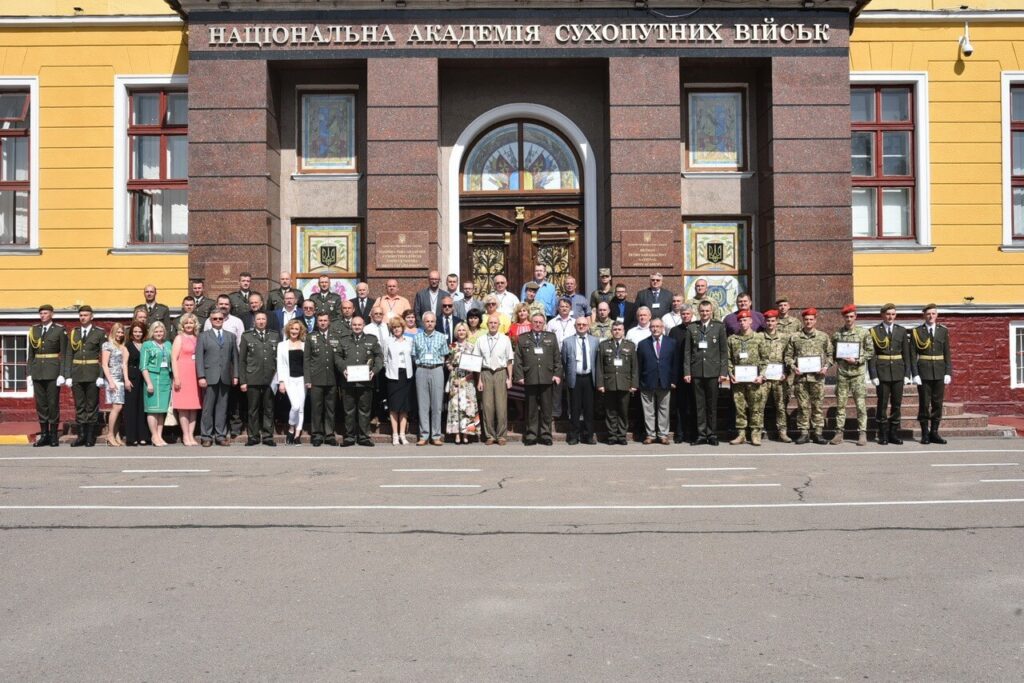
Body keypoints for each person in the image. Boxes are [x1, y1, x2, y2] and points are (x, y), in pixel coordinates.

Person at [784, 307, 833, 445]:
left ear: (815, 320)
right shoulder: (795, 337)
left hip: (817, 378)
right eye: (806, 319)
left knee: (817, 406)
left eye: (811, 319)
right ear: (803, 321)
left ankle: (818, 433)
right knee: (802, 406)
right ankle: (804, 433)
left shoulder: (823, 337)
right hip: (801, 379)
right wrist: (794, 367)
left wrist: (825, 367)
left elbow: (830, 355)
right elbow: (788, 357)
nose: (808, 322)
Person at [683, 300, 728, 446]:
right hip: (696, 372)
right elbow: (687, 352)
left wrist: (723, 372)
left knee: (712, 405)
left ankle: (712, 434)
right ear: (698, 311)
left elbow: (723, 352)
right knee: (699, 405)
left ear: (712, 311)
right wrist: (687, 371)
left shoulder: (719, 327)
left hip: (713, 372)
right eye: (702, 311)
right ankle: (701, 434)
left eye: (707, 311)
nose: (704, 313)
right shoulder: (692, 328)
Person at [513, 313, 563, 446]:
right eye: (535, 321)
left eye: (540, 322)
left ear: (544, 323)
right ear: (531, 322)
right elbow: (518, 359)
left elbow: (557, 358)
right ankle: (531, 434)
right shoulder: (523, 338)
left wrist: (557, 374)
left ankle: (546, 435)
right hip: (530, 377)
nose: (538, 324)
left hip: (547, 377)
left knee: (547, 409)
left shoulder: (551, 337)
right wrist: (519, 376)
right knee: (531, 409)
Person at [867, 303, 912, 445]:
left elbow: (906, 354)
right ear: (882, 315)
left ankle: (893, 433)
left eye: (893, 314)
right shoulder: (874, 331)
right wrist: (873, 374)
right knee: (882, 404)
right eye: (888, 314)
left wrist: (907, 374)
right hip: (882, 372)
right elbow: (872, 355)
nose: (890, 317)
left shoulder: (902, 331)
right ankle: (883, 434)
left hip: (898, 372)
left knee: (897, 404)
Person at [337, 316, 383, 447]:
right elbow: (337, 356)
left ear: (364, 325)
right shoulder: (344, 340)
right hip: (348, 381)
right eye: (354, 325)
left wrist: (374, 371)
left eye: (359, 325)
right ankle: (349, 437)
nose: (357, 327)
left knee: (364, 409)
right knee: (348, 409)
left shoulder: (371, 339)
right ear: (351, 325)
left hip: (365, 381)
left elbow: (379, 356)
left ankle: (364, 437)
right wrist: (342, 369)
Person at [65, 305, 107, 448]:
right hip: (77, 373)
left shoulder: (99, 333)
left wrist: (101, 375)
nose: (83, 317)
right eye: (81, 315)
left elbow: (104, 355)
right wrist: (68, 374)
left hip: (92, 373)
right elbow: (69, 354)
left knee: (92, 406)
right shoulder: (74, 333)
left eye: (86, 315)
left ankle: (90, 436)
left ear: (92, 317)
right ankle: (81, 436)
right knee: (80, 405)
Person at [831, 305, 873, 447]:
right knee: (840, 405)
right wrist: (837, 358)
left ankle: (862, 433)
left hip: (858, 375)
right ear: (843, 317)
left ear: (855, 317)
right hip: (843, 374)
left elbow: (870, 351)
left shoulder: (863, 332)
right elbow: (832, 352)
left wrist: (858, 360)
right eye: (846, 317)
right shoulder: (837, 334)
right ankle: (839, 433)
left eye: (851, 316)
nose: (849, 319)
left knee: (860, 405)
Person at [911, 303, 953, 445]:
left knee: (937, 404)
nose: (931, 316)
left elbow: (947, 353)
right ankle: (924, 433)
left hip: (939, 372)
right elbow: (912, 355)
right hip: (923, 372)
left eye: (933, 313)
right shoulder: (917, 332)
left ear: (937, 315)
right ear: (924, 315)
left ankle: (934, 432)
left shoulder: (943, 331)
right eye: (928, 314)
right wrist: (914, 374)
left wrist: (948, 372)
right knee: (924, 403)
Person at [196, 310, 239, 447]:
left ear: (224, 320)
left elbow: (235, 359)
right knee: (208, 408)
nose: (218, 320)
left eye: (220, 318)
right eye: (215, 319)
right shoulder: (203, 336)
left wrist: (236, 375)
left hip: (225, 377)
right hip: (209, 377)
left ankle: (220, 435)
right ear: (210, 320)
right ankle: (206, 436)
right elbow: (199, 359)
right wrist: (201, 376)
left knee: (222, 408)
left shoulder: (231, 336)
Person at [726, 310, 768, 446]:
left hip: (755, 380)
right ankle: (741, 434)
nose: (743, 323)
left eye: (746, 320)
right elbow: (728, 359)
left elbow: (765, 358)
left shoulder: (759, 338)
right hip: (738, 381)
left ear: (751, 321)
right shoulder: (732, 339)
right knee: (740, 408)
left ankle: (755, 434)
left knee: (755, 407)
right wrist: (731, 374)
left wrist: (762, 375)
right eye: (741, 321)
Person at [28, 304, 67, 447]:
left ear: (52, 314)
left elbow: (64, 353)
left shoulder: (59, 330)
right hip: (38, 371)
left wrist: (62, 373)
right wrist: (29, 373)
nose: (43, 315)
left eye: (45, 313)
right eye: (41, 313)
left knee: (52, 404)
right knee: (41, 405)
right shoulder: (34, 330)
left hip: (52, 372)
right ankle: (44, 435)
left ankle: (53, 435)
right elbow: (31, 354)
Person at [239, 311, 280, 447]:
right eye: (258, 319)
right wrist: (243, 381)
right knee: (253, 409)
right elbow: (242, 360)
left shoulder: (274, 335)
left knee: (269, 408)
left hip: (270, 378)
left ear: (266, 321)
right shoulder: (247, 336)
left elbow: (279, 359)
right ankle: (253, 436)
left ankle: (268, 436)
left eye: (263, 319)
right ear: (254, 322)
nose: (261, 321)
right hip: (253, 377)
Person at [596, 320, 638, 445]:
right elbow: (599, 366)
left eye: (619, 329)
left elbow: (634, 367)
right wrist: (600, 384)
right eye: (615, 329)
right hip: (609, 384)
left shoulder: (630, 345)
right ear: (611, 331)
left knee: (623, 411)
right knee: (610, 411)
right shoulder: (604, 345)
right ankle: (612, 436)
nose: (617, 332)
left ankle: (622, 435)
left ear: (623, 331)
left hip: (625, 384)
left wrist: (634, 384)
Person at [637, 318, 678, 444]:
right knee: (648, 411)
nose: (655, 329)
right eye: (653, 326)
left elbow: (675, 363)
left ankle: (663, 434)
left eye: (658, 326)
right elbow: (639, 364)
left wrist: (673, 380)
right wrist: (638, 382)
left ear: (663, 328)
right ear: (650, 328)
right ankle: (650, 435)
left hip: (665, 381)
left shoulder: (671, 342)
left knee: (664, 409)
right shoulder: (643, 343)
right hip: (647, 381)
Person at [475, 314, 514, 445]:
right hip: (486, 373)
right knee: (487, 406)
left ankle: (502, 435)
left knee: (501, 406)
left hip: (500, 372)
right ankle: (490, 435)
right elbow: (477, 361)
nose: (492, 325)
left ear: (499, 325)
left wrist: (510, 378)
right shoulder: (480, 340)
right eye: (490, 323)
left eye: (495, 323)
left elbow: (509, 360)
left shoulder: (505, 339)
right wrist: (479, 380)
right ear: (487, 325)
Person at [411, 312, 450, 446]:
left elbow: (445, 355)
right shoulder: (417, 337)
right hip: (421, 369)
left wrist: (437, 365)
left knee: (437, 405)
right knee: (423, 405)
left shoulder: (441, 337)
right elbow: (414, 355)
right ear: (423, 322)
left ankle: (436, 435)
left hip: (437, 370)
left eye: (432, 321)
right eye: (427, 321)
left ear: (435, 323)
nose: (430, 324)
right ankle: (424, 435)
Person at [304, 312, 342, 447]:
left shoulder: (336, 337)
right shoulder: (310, 337)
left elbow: (339, 357)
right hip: (316, 379)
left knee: (330, 408)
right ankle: (317, 435)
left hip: (332, 379)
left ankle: (329, 434)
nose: (323, 323)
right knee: (316, 408)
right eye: (320, 320)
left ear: (329, 321)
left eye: (325, 320)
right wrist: (308, 379)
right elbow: (307, 360)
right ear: (317, 322)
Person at [562, 316, 599, 445]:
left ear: (588, 326)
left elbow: (596, 361)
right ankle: (574, 435)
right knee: (574, 409)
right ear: (575, 326)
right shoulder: (567, 342)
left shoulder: (595, 341)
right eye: (579, 324)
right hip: (575, 378)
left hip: (589, 378)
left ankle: (588, 435)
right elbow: (564, 361)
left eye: (584, 324)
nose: (581, 326)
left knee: (589, 409)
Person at [760, 309, 793, 443]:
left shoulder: (785, 338)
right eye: (768, 321)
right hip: (764, 378)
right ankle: (757, 431)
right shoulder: (759, 337)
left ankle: (782, 432)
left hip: (779, 378)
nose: (770, 323)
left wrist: (786, 372)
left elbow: (789, 356)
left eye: (773, 321)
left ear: (777, 322)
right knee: (759, 405)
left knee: (780, 405)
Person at [170, 313, 202, 447]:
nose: (189, 325)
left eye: (191, 323)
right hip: (182, 374)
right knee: (183, 407)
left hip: (194, 375)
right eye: (186, 323)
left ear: (195, 324)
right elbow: (173, 358)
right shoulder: (179, 338)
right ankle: (185, 435)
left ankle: (191, 434)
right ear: (182, 325)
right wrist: (176, 377)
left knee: (194, 407)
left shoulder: (197, 338)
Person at [446, 322, 481, 443]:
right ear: (456, 332)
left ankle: (466, 433)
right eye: (459, 330)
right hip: (455, 379)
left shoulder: (472, 346)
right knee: (455, 407)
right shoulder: (452, 346)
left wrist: (467, 376)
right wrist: (451, 369)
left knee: (468, 407)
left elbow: (476, 365)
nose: (461, 332)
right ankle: (457, 434)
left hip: (468, 379)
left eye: (463, 330)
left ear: (467, 332)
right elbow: (448, 362)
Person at [140, 321, 173, 447]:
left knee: (162, 410)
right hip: (153, 377)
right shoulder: (147, 345)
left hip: (165, 377)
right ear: (152, 333)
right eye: (156, 331)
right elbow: (143, 366)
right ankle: (154, 435)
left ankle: (160, 435)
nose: (159, 333)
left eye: (161, 331)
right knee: (152, 410)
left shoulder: (168, 344)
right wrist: (149, 383)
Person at [668, 303, 697, 443]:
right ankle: (679, 434)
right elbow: (670, 354)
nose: (685, 316)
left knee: (693, 404)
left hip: (695, 372)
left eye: (688, 314)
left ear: (692, 315)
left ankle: (691, 434)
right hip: (679, 373)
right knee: (680, 405)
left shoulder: (697, 328)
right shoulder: (674, 331)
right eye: (683, 314)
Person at [384, 318, 415, 445]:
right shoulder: (388, 341)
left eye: (399, 327)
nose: (396, 329)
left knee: (404, 407)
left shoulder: (410, 340)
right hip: (393, 377)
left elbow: (413, 357)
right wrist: (389, 370)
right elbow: (385, 359)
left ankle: (402, 434)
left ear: (403, 328)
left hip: (406, 376)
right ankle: (395, 434)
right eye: (394, 327)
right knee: (394, 407)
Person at [276, 319, 308, 445]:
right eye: (292, 328)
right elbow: (280, 365)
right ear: (288, 330)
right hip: (289, 379)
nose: (294, 331)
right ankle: (290, 428)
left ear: (300, 331)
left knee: (301, 408)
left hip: (302, 379)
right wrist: (281, 382)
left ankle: (297, 435)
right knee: (295, 405)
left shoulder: (305, 345)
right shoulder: (282, 345)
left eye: (297, 329)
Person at [101, 323, 129, 447]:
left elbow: (124, 365)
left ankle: (116, 434)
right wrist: (111, 381)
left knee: (119, 407)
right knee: (116, 407)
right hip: (113, 378)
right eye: (117, 332)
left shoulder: (122, 346)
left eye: (121, 332)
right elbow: (104, 364)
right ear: (113, 332)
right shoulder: (107, 345)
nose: (120, 334)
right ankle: (110, 434)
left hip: (121, 379)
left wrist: (126, 379)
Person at [123, 321, 151, 447]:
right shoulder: (127, 345)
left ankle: (143, 436)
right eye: (135, 331)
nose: (137, 334)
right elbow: (124, 364)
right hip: (132, 376)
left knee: (142, 407)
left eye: (140, 331)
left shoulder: (147, 344)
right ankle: (131, 437)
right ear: (131, 333)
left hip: (144, 377)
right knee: (131, 408)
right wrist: (126, 380)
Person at [546, 298, 575, 418]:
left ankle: (571, 412)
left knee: (571, 385)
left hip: (571, 357)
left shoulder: (575, 322)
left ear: (570, 308)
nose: (564, 308)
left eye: (566, 306)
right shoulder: (552, 323)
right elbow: (547, 339)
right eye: (562, 306)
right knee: (556, 385)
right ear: (558, 308)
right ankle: (555, 413)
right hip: (556, 357)